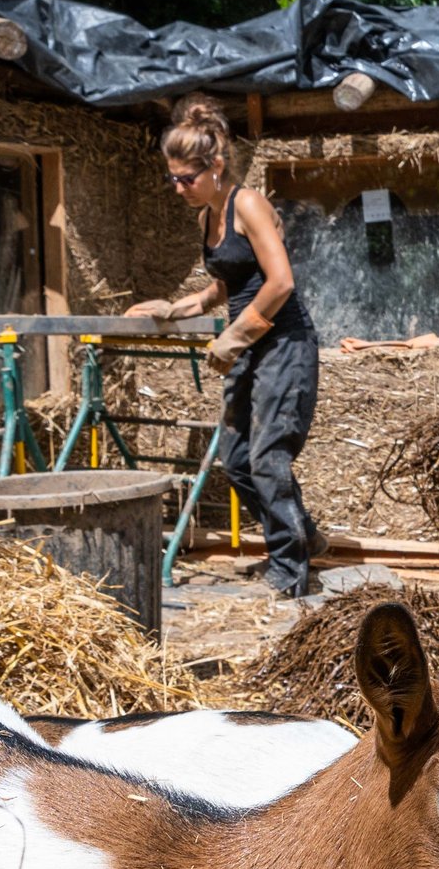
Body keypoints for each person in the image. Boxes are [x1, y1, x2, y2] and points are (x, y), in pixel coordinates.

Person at [126, 95, 321, 596]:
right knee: (236, 461)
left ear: (215, 166)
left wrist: (234, 336)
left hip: (284, 343)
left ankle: (289, 572)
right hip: (251, 346)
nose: (178, 188)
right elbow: (224, 288)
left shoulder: (249, 204)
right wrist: (174, 308)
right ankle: (303, 535)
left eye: (186, 178)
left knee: (268, 458)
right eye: (171, 178)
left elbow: (280, 282)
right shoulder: (206, 218)